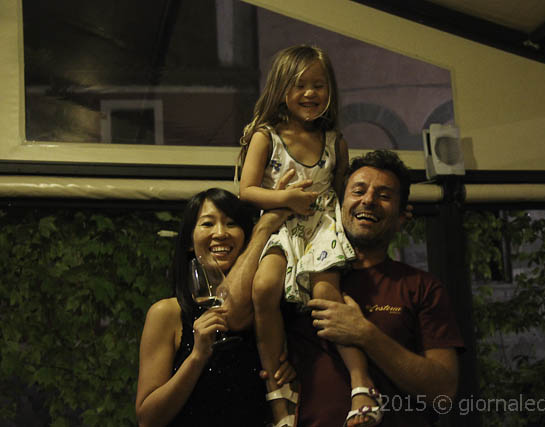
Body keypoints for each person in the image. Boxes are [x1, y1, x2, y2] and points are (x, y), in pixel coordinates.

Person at [238, 45, 380, 427]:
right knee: (263, 289)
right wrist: (284, 199)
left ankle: (360, 381)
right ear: (281, 88)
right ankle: (278, 390)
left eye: (319, 85)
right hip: (283, 224)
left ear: (330, 89)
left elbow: (343, 192)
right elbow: (247, 190)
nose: (310, 93)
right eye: (299, 85)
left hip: (321, 228)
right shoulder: (266, 136)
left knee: (326, 296)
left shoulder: (335, 141)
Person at [286, 150, 465, 426]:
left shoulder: (422, 287)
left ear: (401, 216)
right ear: (338, 205)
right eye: (358, 191)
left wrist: (365, 334)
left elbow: (443, 390)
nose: (368, 200)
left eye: (384, 195)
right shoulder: (298, 276)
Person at [135, 188, 296, 427]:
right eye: (207, 224)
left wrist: (290, 373)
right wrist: (197, 357)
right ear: (189, 242)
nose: (220, 233)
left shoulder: (266, 311)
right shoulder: (167, 313)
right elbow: (147, 419)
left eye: (231, 224)